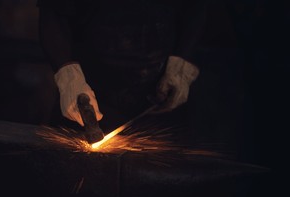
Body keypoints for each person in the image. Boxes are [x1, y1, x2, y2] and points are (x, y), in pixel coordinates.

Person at [38, 0, 209, 128]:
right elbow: (52, 14)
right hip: (89, 95)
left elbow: (197, 9)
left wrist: (182, 60)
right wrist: (69, 77)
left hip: (159, 96)